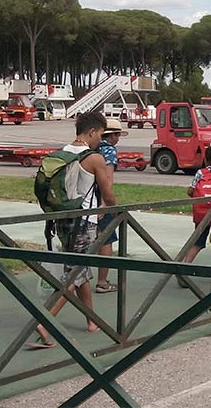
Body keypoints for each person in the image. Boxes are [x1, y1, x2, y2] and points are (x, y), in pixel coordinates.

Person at [27, 112, 116, 348]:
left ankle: (91, 321)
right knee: (76, 274)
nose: (101, 140)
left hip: (63, 220)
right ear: (92, 131)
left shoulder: (62, 153)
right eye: (100, 134)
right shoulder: (94, 158)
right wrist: (108, 208)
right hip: (85, 222)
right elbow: (109, 195)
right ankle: (45, 323)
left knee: (78, 269)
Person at [181, 146, 211, 278]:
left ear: (206, 159)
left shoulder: (201, 172)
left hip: (202, 213)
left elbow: (190, 191)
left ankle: (185, 268)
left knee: (197, 242)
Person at [95, 118, 128, 293]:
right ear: (112, 135)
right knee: (106, 240)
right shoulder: (109, 151)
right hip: (100, 201)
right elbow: (107, 179)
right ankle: (102, 281)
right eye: (117, 135)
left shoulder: (92, 147)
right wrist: (106, 204)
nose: (118, 139)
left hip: (84, 200)